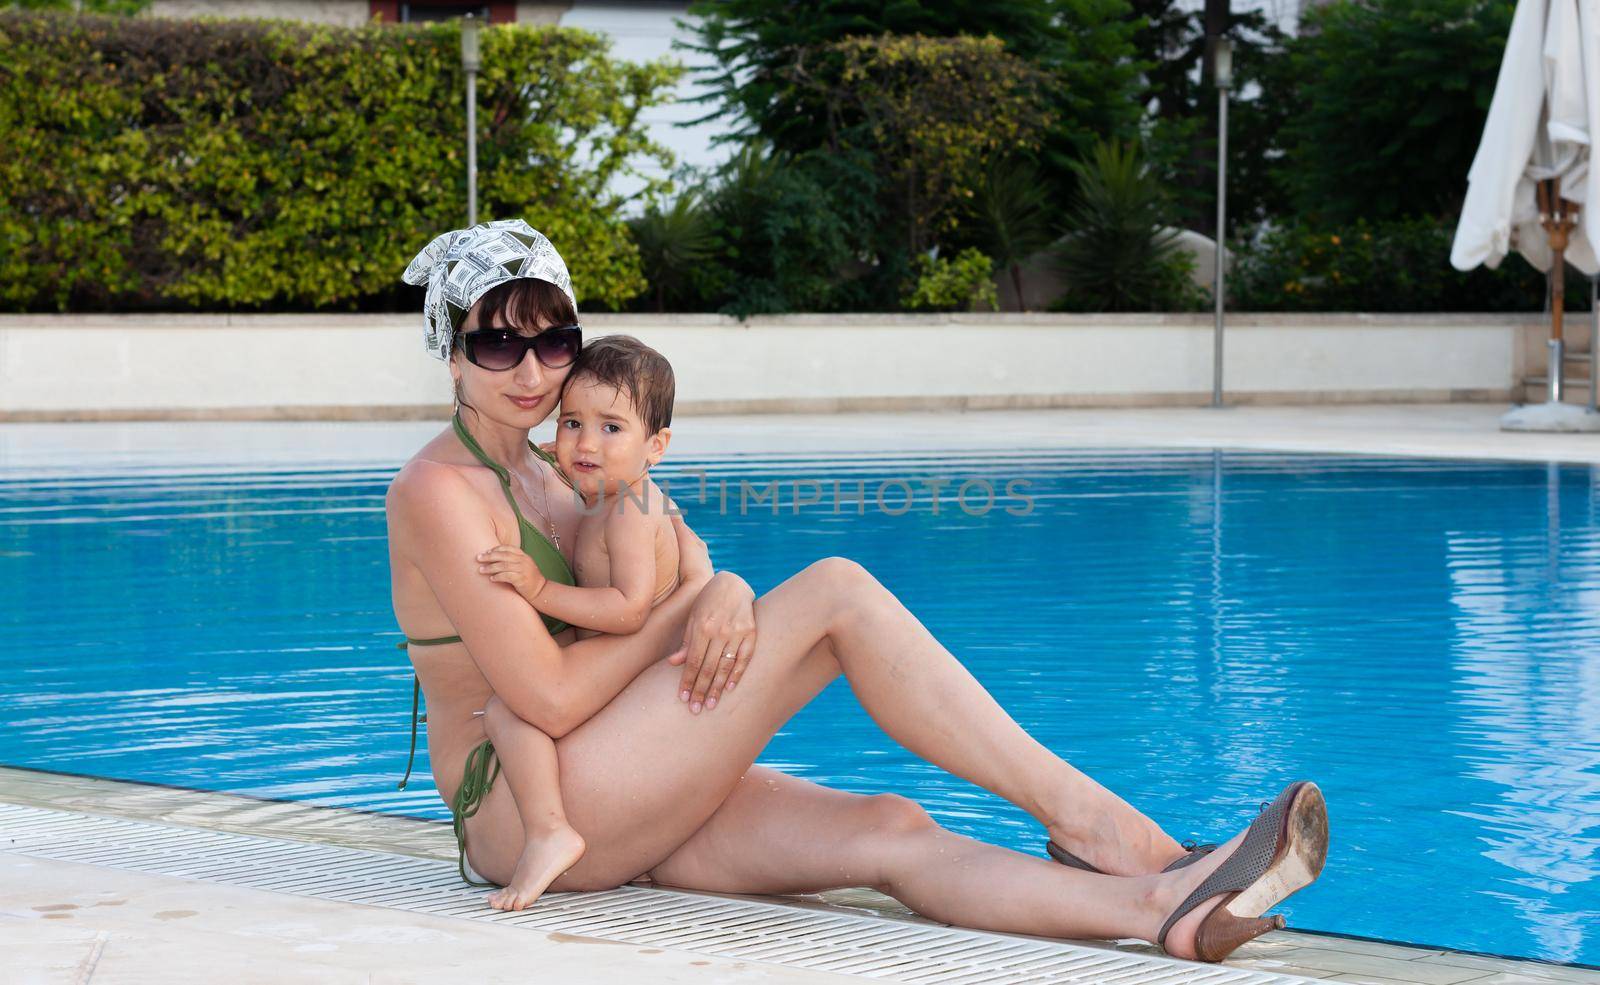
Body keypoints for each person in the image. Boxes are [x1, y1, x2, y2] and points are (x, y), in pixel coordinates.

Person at [388, 220, 1330, 964]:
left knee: (888, 827)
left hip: (615, 778)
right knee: (837, 591)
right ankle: (1107, 829)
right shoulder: (440, 491)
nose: (535, 370)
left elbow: (680, 560)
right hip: (525, 813)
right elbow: (546, 695)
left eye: (554, 342)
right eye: (498, 346)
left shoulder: (569, 470)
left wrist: (727, 583)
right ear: (452, 348)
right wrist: (688, 605)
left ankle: (1162, 906)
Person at [470, 335, 684, 911]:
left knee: (509, 711)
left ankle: (548, 831)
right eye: (572, 424)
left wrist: (539, 589)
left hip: (642, 676)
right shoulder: (603, 491)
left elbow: (630, 607)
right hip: (622, 672)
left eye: (611, 428)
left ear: (656, 447)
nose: (586, 443)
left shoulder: (632, 511)